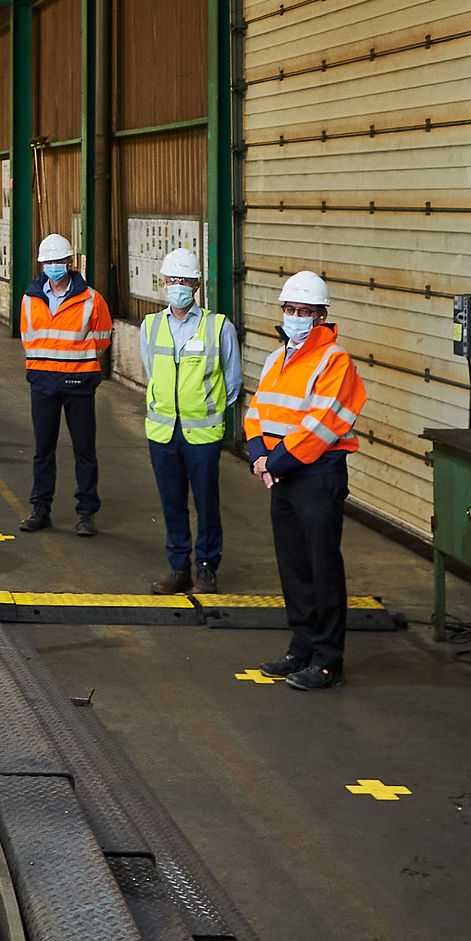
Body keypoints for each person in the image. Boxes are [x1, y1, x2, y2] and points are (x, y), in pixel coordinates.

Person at [246, 271, 366, 691]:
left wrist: (273, 462)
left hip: (317, 475)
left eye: (304, 311)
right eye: (290, 309)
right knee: (294, 566)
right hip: (282, 474)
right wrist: (258, 455)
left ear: (321, 317)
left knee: (322, 567)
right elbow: (256, 412)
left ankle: (328, 660)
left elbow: (322, 426)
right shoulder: (276, 359)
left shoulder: (335, 361)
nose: (295, 317)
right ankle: (301, 647)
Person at [144, 248, 241, 595]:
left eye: (185, 280)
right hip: (162, 432)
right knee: (172, 502)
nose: (178, 286)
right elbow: (151, 371)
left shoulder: (218, 326)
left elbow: (232, 383)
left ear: (197, 284)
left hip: (202, 435)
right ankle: (179, 567)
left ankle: (206, 567)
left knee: (206, 503)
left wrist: (204, 413)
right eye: (172, 280)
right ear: (163, 283)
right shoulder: (150, 325)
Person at [18, 233, 113, 536]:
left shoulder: (91, 299)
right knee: (42, 450)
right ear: (42, 264)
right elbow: (27, 338)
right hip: (43, 382)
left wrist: (80, 364)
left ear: (70, 263)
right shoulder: (30, 299)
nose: (54, 267)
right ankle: (40, 508)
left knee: (84, 449)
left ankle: (86, 513)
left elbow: (103, 337)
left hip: (79, 382)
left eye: (59, 261)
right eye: (49, 262)